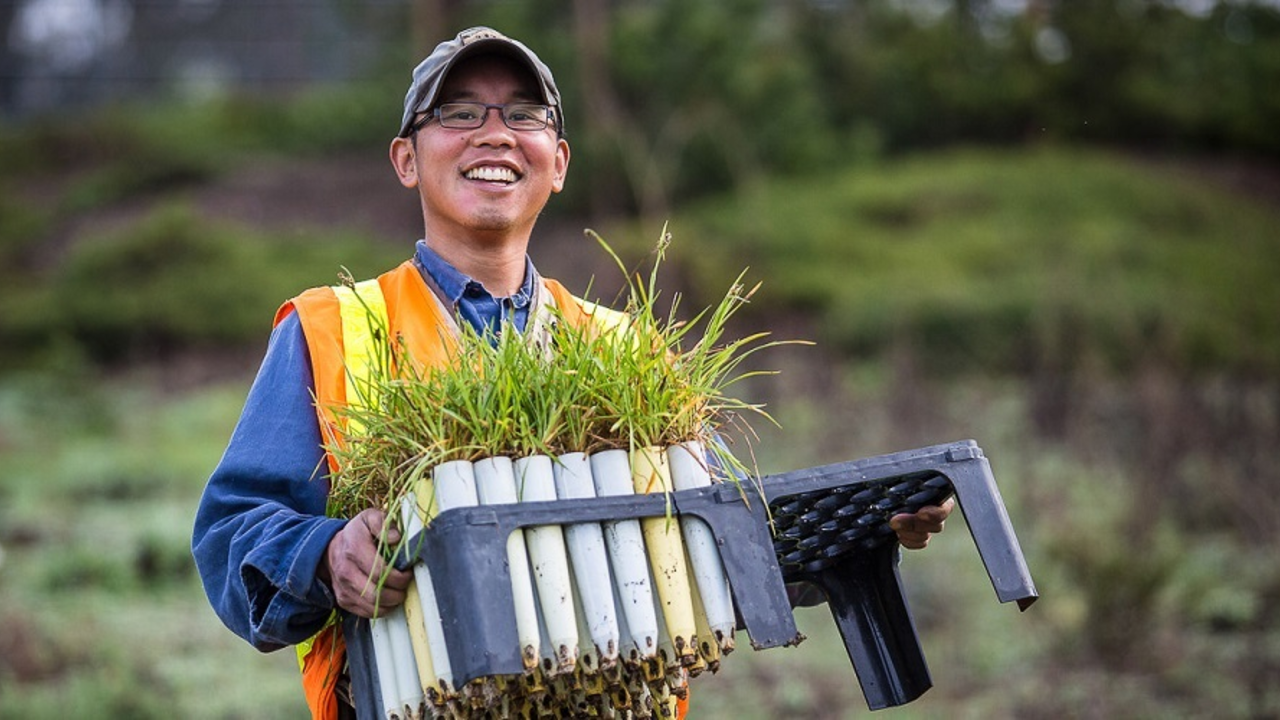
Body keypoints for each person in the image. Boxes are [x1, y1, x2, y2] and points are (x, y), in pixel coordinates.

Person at [191, 26, 954, 719]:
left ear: (557, 163)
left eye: (523, 115)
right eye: (459, 114)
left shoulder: (630, 353)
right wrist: (324, 554)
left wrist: (856, 530)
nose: (494, 134)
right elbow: (231, 537)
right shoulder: (333, 330)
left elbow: (722, 545)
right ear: (406, 158)